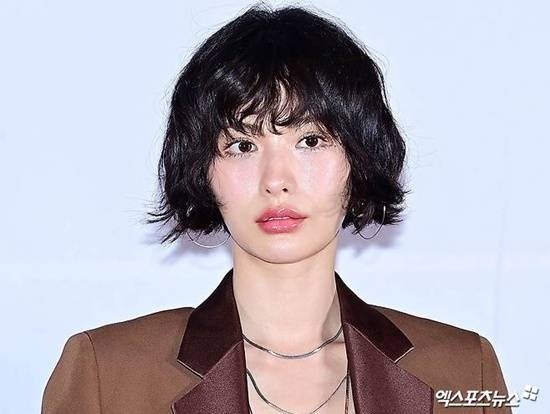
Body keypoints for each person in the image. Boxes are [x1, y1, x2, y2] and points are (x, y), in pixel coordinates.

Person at [41, 3, 512, 414]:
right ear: (202, 170)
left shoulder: (462, 371)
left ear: (359, 159)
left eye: (310, 141)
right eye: (242, 146)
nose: (276, 181)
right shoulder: (108, 374)